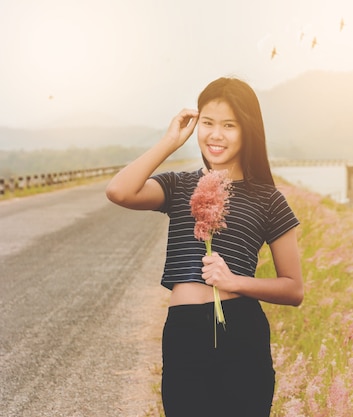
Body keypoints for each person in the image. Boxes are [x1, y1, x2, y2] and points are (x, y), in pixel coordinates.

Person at [106, 77, 303, 416]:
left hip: (242, 333)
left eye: (229, 125)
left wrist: (234, 281)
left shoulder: (268, 199)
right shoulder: (179, 185)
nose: (216, 134)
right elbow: (119, 192)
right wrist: (169, 142)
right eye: (208, 123)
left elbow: (294, 289)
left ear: (248, 130)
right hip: (183, 332)